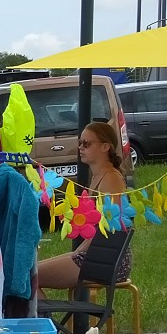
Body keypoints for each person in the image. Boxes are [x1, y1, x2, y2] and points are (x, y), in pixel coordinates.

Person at [37, 121, 131, 295]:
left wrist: (77, 253)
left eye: (86, 143)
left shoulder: (111, 178)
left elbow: (111, 227)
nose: (81, 147)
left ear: (105, 147)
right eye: (80, 143)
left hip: (108, 258)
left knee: (29, 277)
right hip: (97, 254)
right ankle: (45, 319)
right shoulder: (98, 177)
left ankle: (46, 321)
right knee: (29, 274)